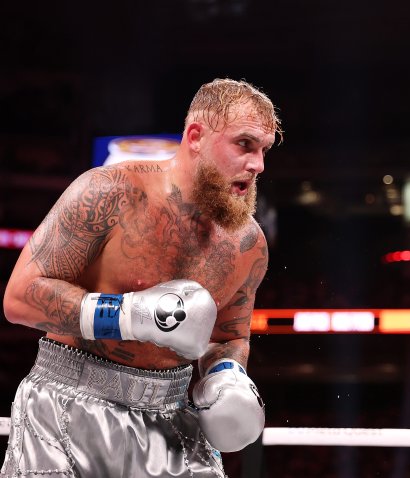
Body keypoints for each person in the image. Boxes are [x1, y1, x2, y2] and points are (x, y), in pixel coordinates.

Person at [1, 78, 281, 477]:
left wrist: (226, 378)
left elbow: (228, 335)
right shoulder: (110, 191)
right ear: (196, 136)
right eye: (245, 144)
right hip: (67, 406)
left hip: (171, 416)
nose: (258, 165)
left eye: (264, 150)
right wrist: (134, 314)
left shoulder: (248, 244)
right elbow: (20, 298)